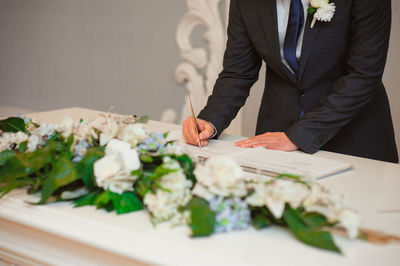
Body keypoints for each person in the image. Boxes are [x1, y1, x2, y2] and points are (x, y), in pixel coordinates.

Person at [182, 0, 398, 163]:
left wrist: (298, 136)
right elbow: (238, 72)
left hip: (354, 141)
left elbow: (363, 75)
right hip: (277, 141)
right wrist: (209, 121)